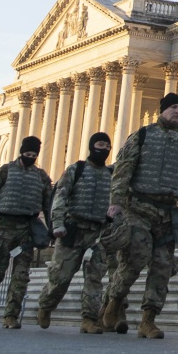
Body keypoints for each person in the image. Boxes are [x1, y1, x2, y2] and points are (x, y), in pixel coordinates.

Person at [104, 95, 178, 339]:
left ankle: (148, 319)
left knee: (163, 267)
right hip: (139, 209)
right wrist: (116, 203)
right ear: (162, 110)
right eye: (173, 107)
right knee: (133, 260)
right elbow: (123, 171)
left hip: (167, 214)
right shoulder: (142, 136)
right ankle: (115, 300)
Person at [39, 132, 115, 332]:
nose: (104, 149)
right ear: (92, 146)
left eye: (108, 146)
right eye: (100, 144)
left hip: (97, 233)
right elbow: (60, 197)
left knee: (95, 278)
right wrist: (57, 224)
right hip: (73, 229)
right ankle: (46, 305)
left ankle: (89, 319)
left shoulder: (110, 175)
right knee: (60, 276)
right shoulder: (76, 169)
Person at [0, 137, 52, 328]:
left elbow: (49, 206)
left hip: (26, 231)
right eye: (28, 154)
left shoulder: (41, 177)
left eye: (34, 155)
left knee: (21, 276)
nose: (31, 157)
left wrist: (51, 229)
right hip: (3, 227)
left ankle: (11, 315)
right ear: (21, 152)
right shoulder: (4, 172)